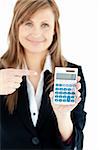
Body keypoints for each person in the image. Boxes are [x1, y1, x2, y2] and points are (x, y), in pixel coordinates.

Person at [0, 0, 87, 149]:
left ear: (54, 29)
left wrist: (63, 116)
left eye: (45, 25)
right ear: (16, 27)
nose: (36, 33)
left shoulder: (73, 73)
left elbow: (75, 147)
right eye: (28, 23)